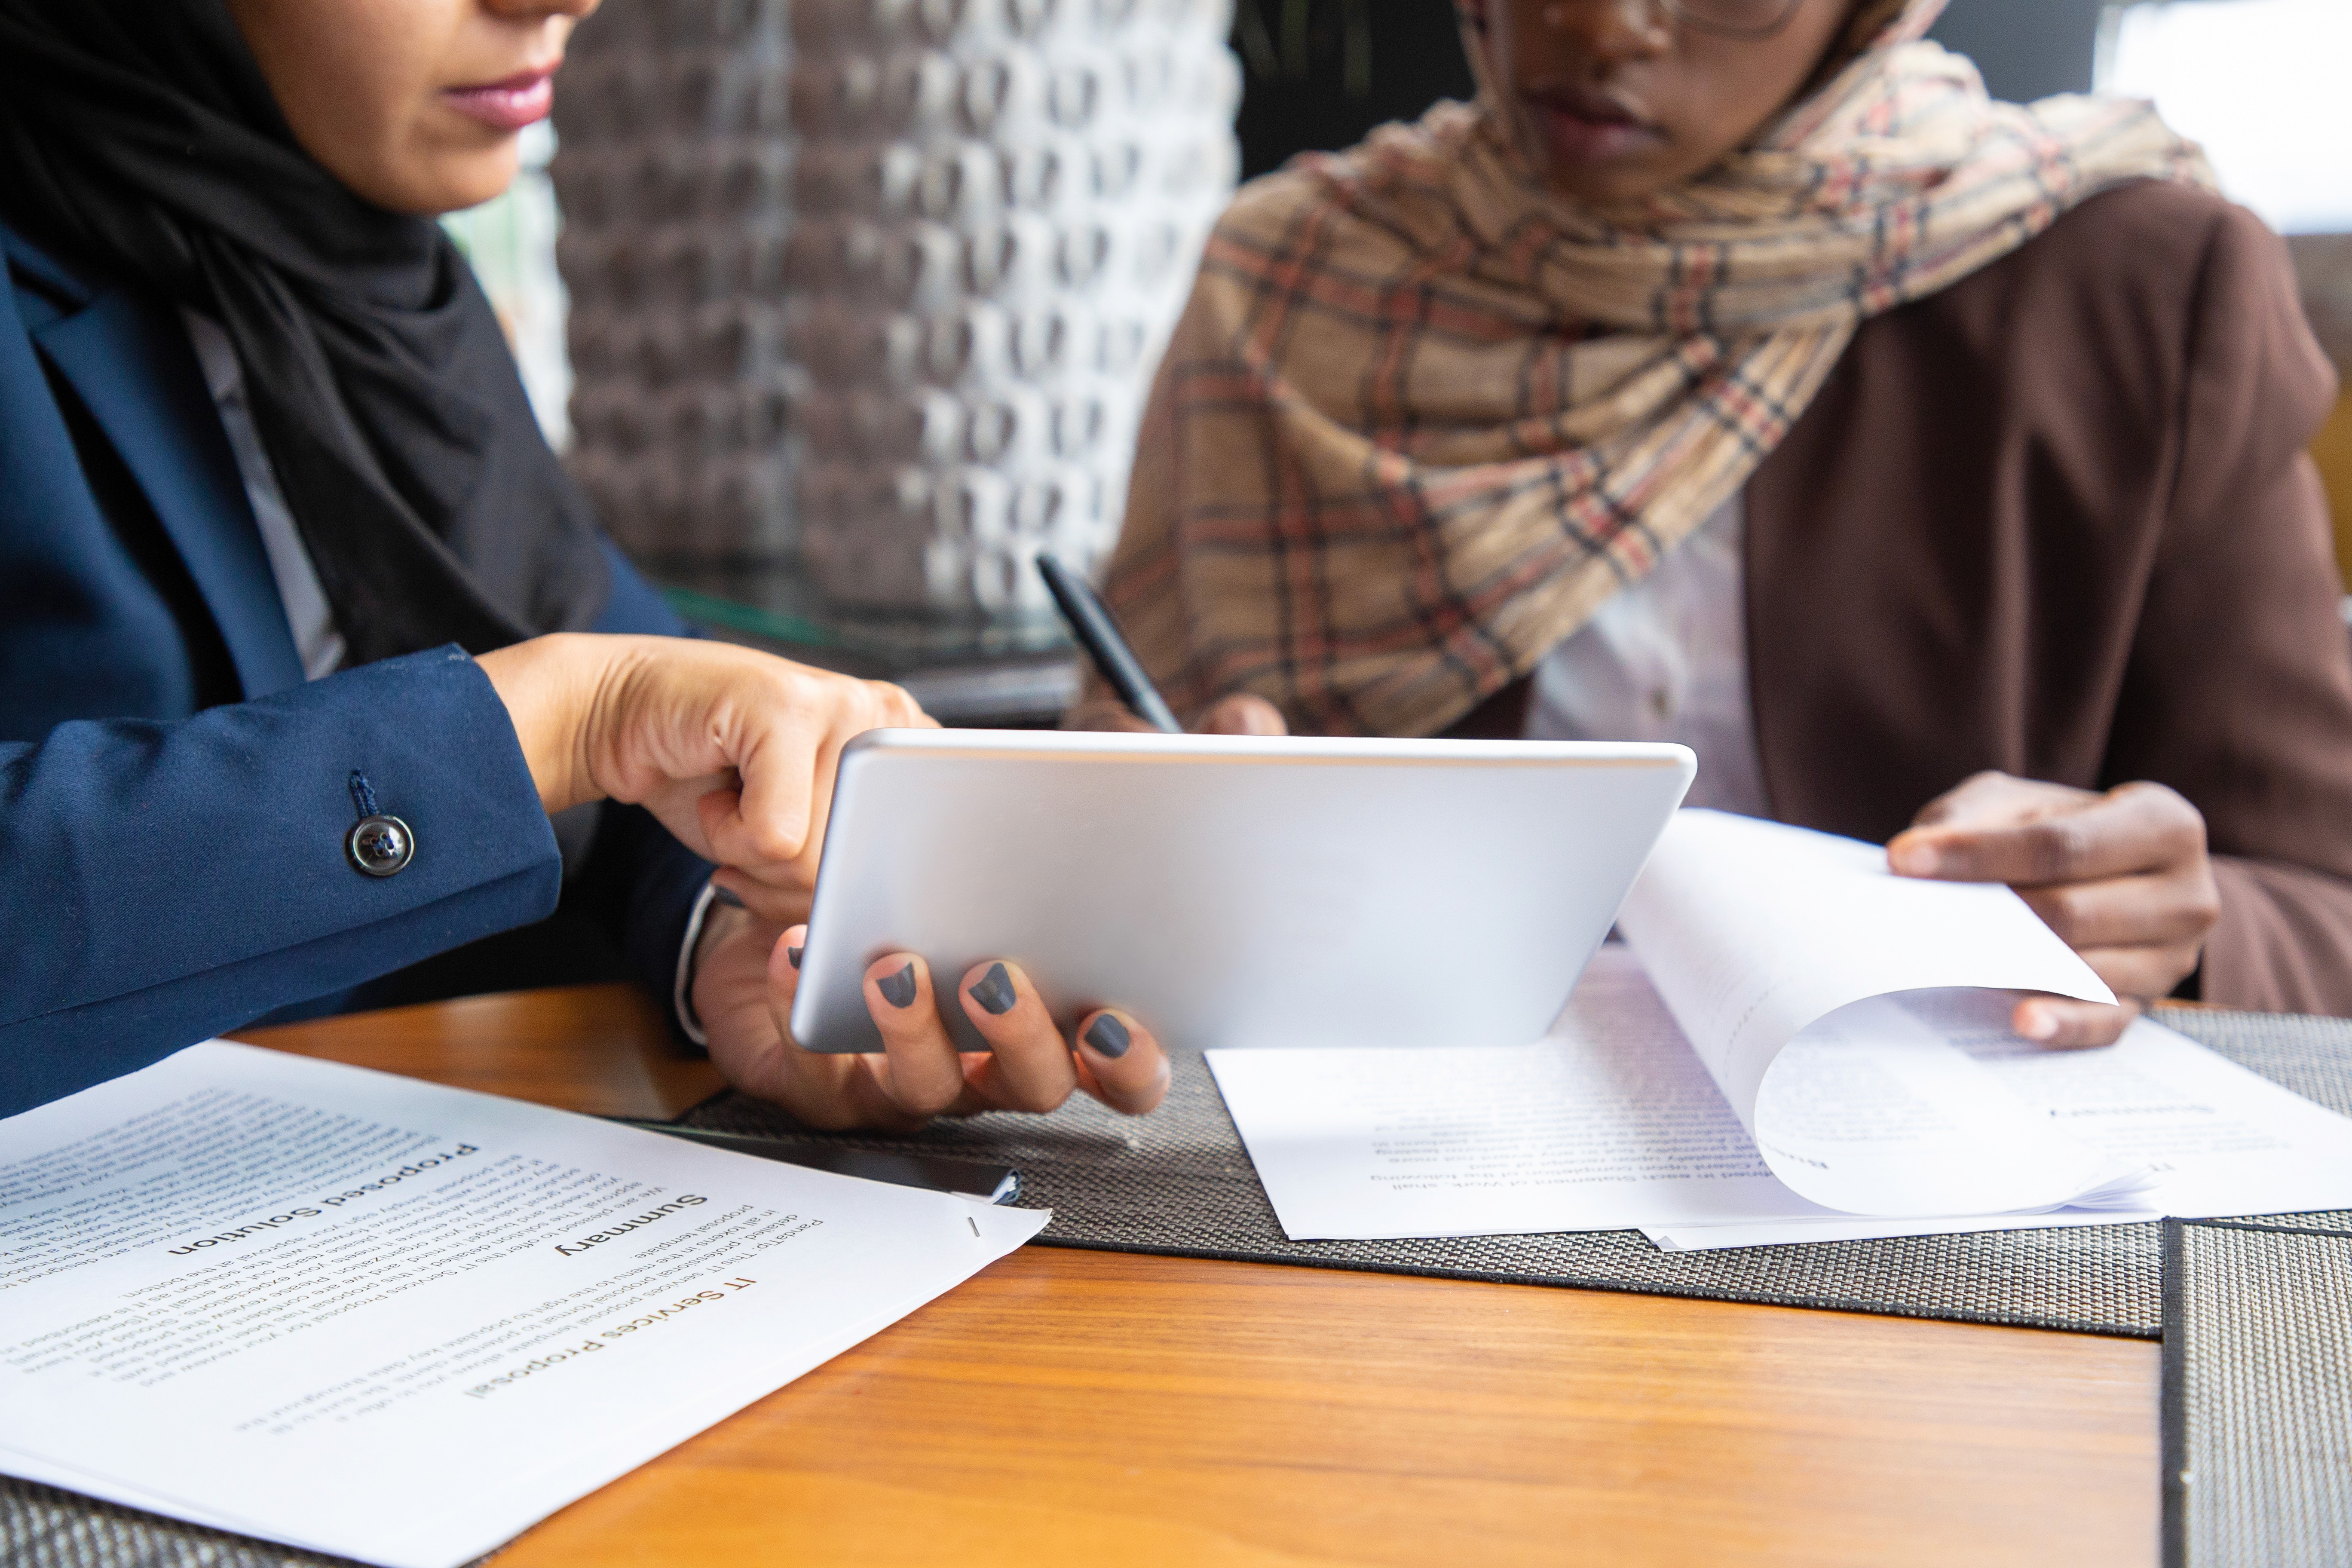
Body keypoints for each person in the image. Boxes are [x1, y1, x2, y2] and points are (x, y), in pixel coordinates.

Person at [1079, 0, 2352, 1044]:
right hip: (1348, 1208)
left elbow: (2322, 909)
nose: (1607, 26)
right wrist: (1152, 831)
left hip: (1925, 1236)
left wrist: (2177, 926)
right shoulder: (1292, 287)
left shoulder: (2134, 295)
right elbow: (1099, 848)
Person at [0, 0, 1170, 1126]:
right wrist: (554, 726)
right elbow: (584, 710)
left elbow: (635, 752)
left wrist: (737, 940)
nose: (561, 0)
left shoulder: (367, 286)